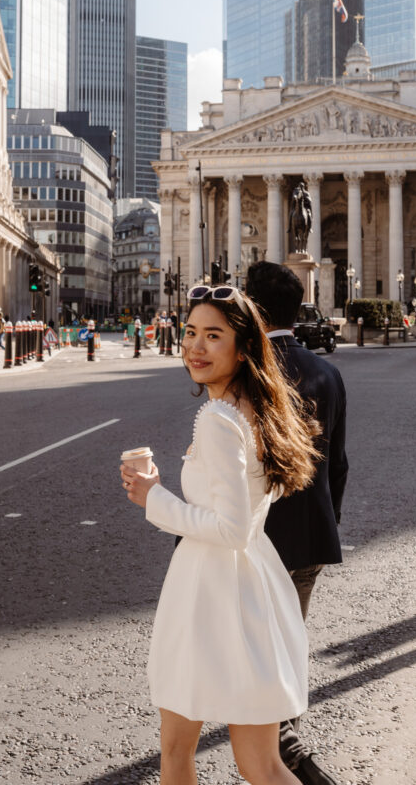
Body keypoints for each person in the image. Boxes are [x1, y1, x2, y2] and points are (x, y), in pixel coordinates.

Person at [121, 283, 321, 785]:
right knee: (261, 762)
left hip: (210, 593)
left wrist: (154, 499)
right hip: (252, 587)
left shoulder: (218, 419)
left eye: (214, 336)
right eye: (190, 333)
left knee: (176, 751)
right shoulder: (258, 407)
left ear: (242, 346)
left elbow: (229, 528)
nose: (195, 347)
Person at [246, 261, 348, 785]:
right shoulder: (329, 373)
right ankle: (283, 737)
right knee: (287, 643)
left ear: (252, 310)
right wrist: (324, 519)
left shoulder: (248, 372)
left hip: (251, 543)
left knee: (246, 655)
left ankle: (285, 749)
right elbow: (339, 464)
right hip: (309, 536)